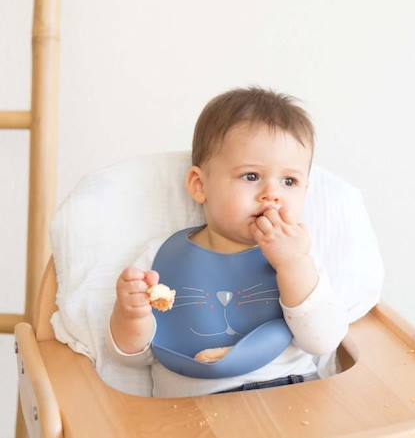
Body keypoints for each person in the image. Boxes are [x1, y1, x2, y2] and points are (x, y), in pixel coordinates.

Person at [107, 87, 366, 397]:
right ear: (200, 185)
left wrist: (292, 264)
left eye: (289, 181)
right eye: (252, 176)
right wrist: (132, 316)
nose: (272, 194)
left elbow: (323, 341)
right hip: (193, 410)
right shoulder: (159, 260)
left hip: (290, 397)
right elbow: (134, 357)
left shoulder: (299, 257)